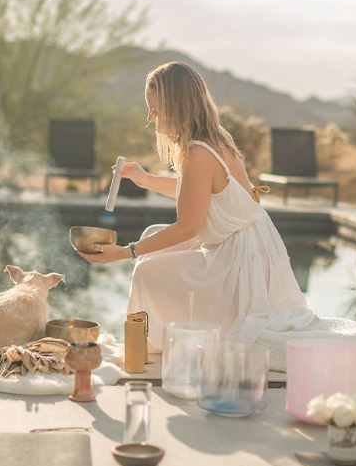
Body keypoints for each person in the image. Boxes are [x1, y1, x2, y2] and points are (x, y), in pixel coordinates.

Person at [76, 61, 321, 355]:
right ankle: (163, 335)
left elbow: (188, 227)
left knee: (147, 272)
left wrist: (125, 252)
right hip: (249, 243)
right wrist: (145, 180)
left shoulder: (198, 152)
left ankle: (152, 346)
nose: (150, 118)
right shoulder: (214, 136)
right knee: (153, 235)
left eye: (155, 109)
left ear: (177, 105)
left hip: (240, 258)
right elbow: (199, 192)